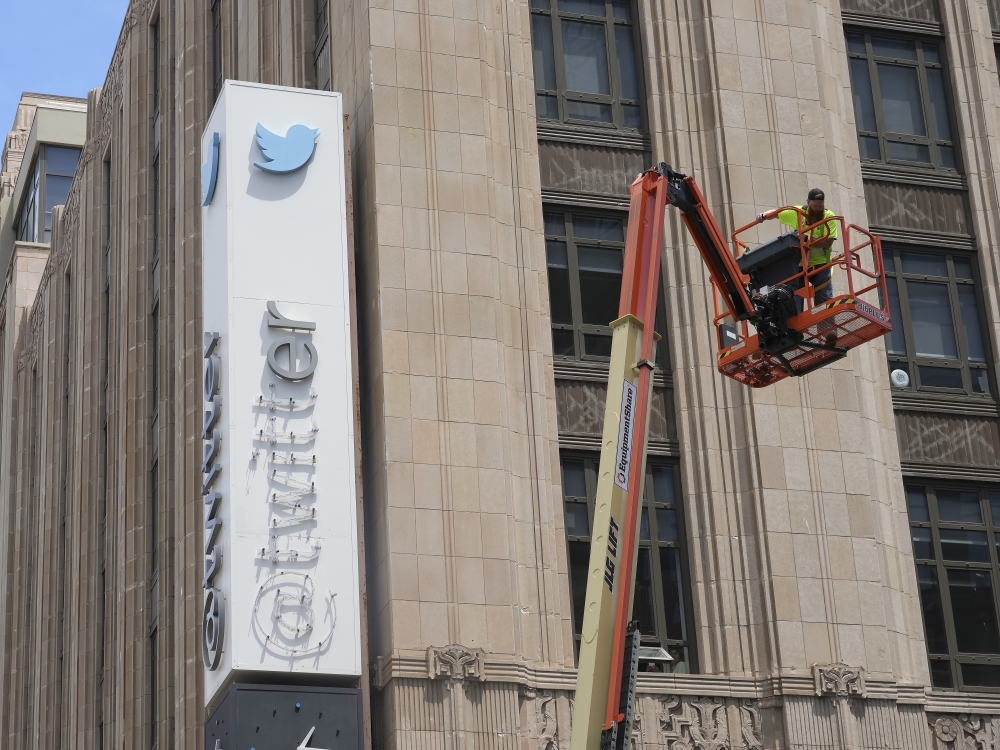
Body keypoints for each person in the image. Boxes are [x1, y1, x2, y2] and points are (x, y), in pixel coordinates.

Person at [756, 188, 839, 344]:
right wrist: (764, 216)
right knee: (793, 297)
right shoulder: (798, 213)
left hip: (821, 263)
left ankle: (828, 332)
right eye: (815, 206)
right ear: (808, 203)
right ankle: (795, 332)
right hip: (800, 264)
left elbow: (829, 241)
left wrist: (808, 238)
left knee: (824, 297)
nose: (818, 209)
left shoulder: (829, 216)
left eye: (820, 206)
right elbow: (778, 212)